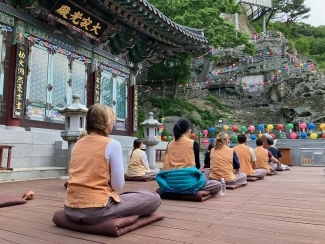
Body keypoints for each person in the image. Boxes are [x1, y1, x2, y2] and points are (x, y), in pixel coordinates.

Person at [64, 104, 161, 224]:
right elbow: (118, 186)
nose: (113, 123)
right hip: (96, 208)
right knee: (153, 198)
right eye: (112, 120)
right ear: (105, 123)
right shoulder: (112, 144)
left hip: (70, 207)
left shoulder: (78, 143)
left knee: (131, 196)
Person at [157, 118, 221, 195]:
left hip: (172, 182)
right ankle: (194, 191)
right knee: (217, 184)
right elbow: (197, 165)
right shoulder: (193, 143)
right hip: (189, 182)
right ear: (188, 130)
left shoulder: (170, 144)